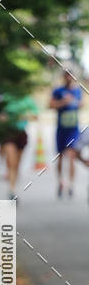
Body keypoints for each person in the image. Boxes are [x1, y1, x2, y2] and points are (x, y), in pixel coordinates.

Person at [0, 92, 38, 201]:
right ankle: (11, 191)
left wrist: (24, 116)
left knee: (17, 164)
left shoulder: (26, 98)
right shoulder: (6, 97)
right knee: (12, 161)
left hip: (21, 134)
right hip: (8, 133)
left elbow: (36, 115)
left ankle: (13, 189)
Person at [49, 70, 83, 198]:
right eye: (67, 75)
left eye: (71, 75)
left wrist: (75, 102)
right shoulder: (58, 91)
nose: (69, 77)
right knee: (60, 156)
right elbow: (51, 105)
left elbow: (81, 104)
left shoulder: (77, 91)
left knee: (72, 155)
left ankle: (71, 184)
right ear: (64, 77)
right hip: (61, 129)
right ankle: (60, 181)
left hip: (73, 129)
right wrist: (63, 102)